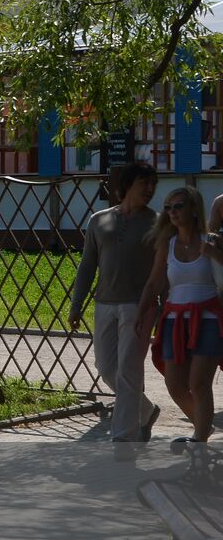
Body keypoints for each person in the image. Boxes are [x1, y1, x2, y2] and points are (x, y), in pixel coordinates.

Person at [68, 161, 161, 451]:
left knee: (129, 370)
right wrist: (76, 303)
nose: (149, 189)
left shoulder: (157, 223)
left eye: (152, 184)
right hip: (104, 302)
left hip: (139, 305)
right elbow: (87, 265)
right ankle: (144, 411)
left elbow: (163, 271)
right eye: (143, 183)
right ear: (126, 187)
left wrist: (165, 307)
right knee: (106, 366)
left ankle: (123, 438)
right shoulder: (100, 220)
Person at [135, 186, 223, 446]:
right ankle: (203, 427)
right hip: (174, 320)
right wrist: (141, 313)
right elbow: (153, 283)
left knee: (199, 382)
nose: (172, 212)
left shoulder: (212, 240)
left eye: (179, 206)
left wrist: (214, 253)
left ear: (194, 209)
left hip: (207, 318)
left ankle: (199, 440)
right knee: (174, 384)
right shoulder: (168, 243)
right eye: (168, 208)